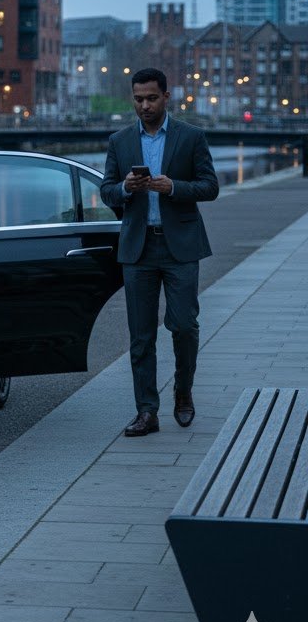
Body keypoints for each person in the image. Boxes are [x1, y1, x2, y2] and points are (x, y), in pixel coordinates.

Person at [100, 67, 219, 437]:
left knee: (184, 326)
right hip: (138, 248)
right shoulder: (119, 141)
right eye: (138, 99)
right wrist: (125, 187)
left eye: (151, 98)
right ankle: (147, 412)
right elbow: (106, 191)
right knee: (140, 336)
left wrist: (172, 187)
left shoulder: (191, 137)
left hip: (180, 246)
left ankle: (183, 392)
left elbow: (210, 186)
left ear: (167, 96)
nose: (145, 105)